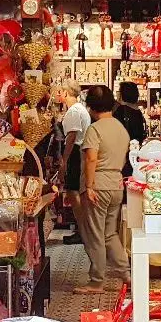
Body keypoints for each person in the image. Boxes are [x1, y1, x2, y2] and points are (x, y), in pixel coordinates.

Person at [76, 85, 132, 294]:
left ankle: (96, 280)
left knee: (95, 234)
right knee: (110, 233)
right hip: (116, 184)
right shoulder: (120, 128)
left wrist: (89, 186)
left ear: (91, 106)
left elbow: (92, 158)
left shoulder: (95, 129)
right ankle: (125, 272)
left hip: (98, 185)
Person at [54, 80, 90, 243]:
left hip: (75, 152)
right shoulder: (79, 109)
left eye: (60, 91)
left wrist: (64, 160)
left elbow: (72, 137)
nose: (58, 95)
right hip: (79, 152)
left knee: (74, 192)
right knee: (74, 192)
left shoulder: (74, 111)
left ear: (67, 93)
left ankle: (82, 231)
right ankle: (82, 230)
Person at [113, 82, 147, 147]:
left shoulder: (120, 110)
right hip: (135, 147)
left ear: (123, 94)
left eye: (119, 91)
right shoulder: (137, 111)